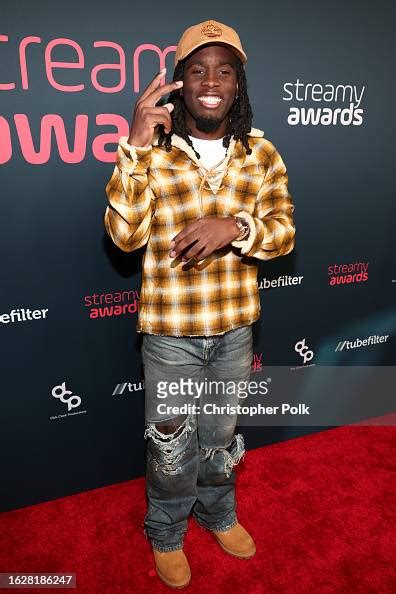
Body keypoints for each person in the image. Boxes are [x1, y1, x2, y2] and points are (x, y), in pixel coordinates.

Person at [104, 19, 296, 589]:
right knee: (169, 448)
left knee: (219, 435)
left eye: (224, 70)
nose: (211, 81)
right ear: (179, 83)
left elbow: (283, 230)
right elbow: (122, 237)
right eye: (197, 70)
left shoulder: (260, 152)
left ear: (238, 84)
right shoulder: (153, 152)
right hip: (169, 332)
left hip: (236, 329)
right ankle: (165, 531)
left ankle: (218, 513)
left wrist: (234, 225)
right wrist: (135, 147)